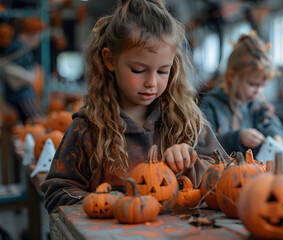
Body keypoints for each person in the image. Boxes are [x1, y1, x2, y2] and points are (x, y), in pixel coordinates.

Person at [41, 0, 227, 214]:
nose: (151, 82)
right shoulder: (87, 128)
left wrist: (190, 164)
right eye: (139, 70)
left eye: (162, 71)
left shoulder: (188, 123)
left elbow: (224, 178)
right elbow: (56, 193)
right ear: (110, 60)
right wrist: (108, 203)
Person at [200, 31, 283, 159]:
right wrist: (238, 138)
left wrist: (276, 136)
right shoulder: (210, 105)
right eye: (253, 84)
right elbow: (203, 145)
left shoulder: (257, 106)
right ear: (231, 76)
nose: (258, 91)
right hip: (220, 175)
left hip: (253, 174)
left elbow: (269, 122)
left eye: (262, 86)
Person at [0, 17, 45, 123]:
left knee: (34, 122)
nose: (39, 39)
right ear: (30, 34)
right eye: (38, 35)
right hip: (20, 95)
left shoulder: (22, 48)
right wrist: (29, 77)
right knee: (37, 121)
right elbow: (8, 70)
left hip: (23, 94)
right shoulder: (19, 49)